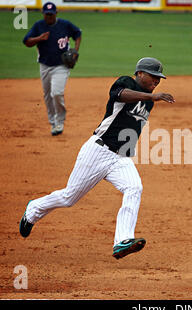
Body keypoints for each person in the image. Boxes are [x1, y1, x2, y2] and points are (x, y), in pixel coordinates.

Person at [19, 57, 175, 259]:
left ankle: (122, 241)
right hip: (98, 151)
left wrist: (149, 98)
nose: (157, 82)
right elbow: (121, 95)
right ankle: (34, 209)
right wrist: (151, 97)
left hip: (120, 158)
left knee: (134, 187)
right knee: (69, 198)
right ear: (140, 73)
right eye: (153, 77)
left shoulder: (148, 102)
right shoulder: (126, 83)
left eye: (159, 79)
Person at [23, 2, 82, 136]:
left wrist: (75, 51)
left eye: (51, 14)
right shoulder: (39, 26)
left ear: (56, 13)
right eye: (47, 14)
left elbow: (78, 33)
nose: (49, 16)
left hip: (61, 66)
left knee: (56, 93)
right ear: (43, 14)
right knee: (47, 95)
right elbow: (26, 41)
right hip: (44, 65)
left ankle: (60, 121)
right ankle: (53, 122)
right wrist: (39, 38)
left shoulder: (65, 24)